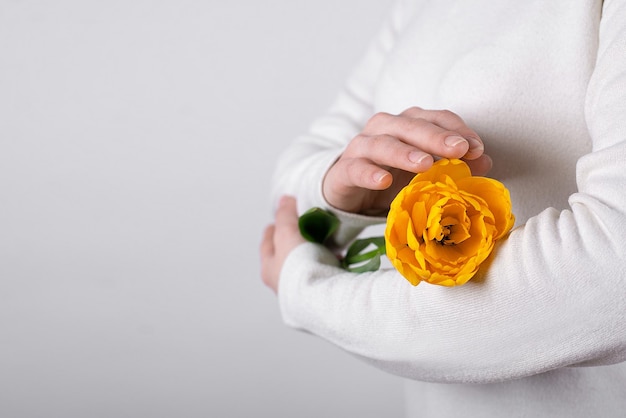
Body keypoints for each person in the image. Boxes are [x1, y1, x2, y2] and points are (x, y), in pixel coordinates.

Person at [260, 0, 626, 416]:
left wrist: (310, 294)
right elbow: (291, 197)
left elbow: (614, 273)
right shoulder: (415, 9)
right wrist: (341, 193)